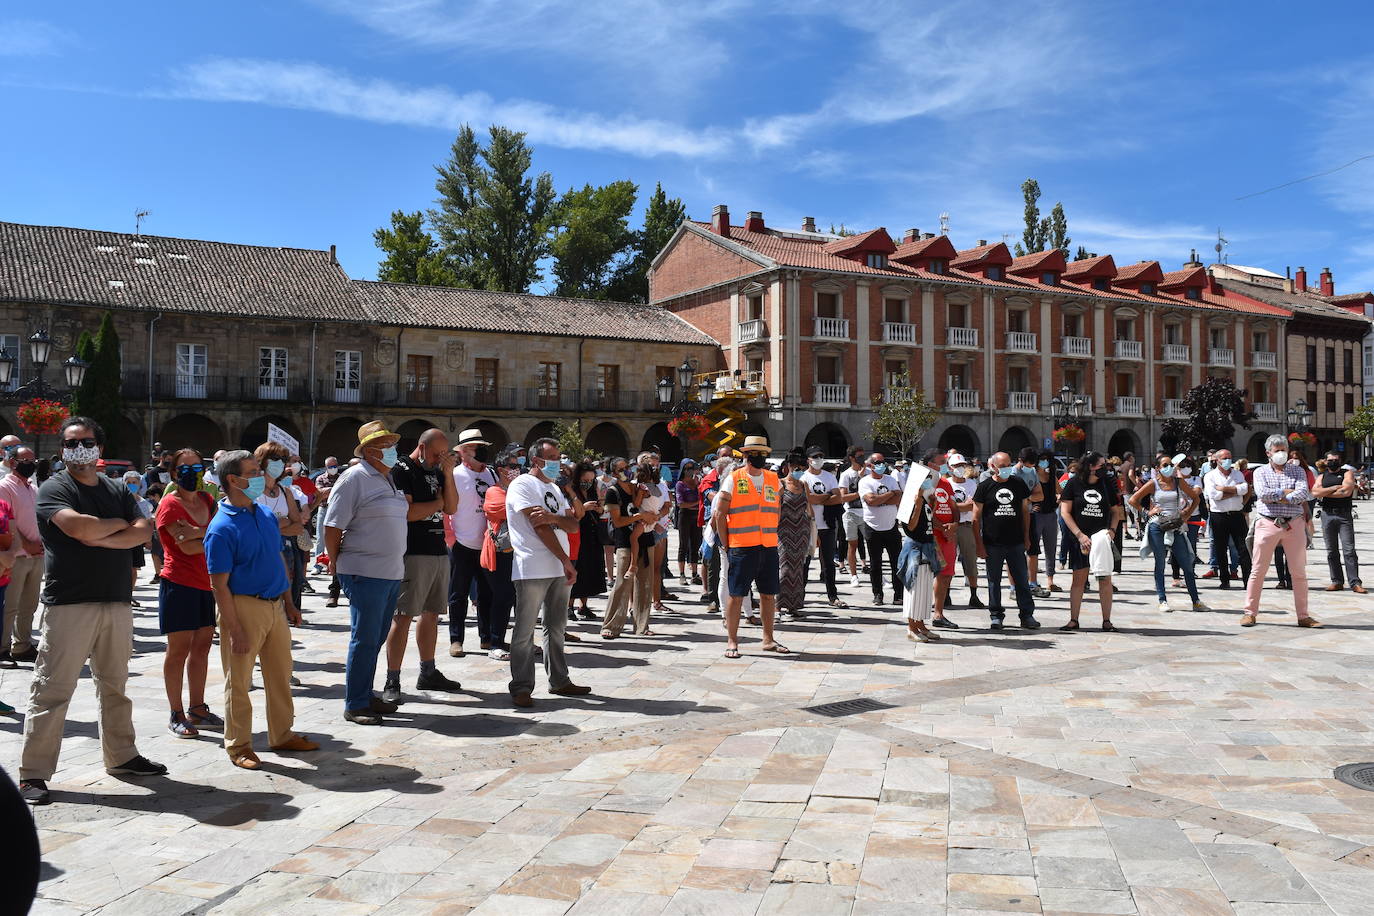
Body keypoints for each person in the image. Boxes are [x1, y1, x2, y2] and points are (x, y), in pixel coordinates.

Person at [18, 418, 166, 805]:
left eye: (86, 441)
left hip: (116, 600)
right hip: (69, 603)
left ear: (99, 447)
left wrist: (104, 534)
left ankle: (122, 756)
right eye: (71, 443)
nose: (78, 448)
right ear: (62, 449)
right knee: (52, 689)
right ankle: (33, 773)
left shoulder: (115, 488)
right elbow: (78, 529)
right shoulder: (54, 488)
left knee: (115, 684)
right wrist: (116, 527)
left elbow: (144, 530)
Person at [204, 449, 317, 769]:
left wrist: (289, 602)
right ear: (233, 480)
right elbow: (219, 585)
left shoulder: (265, 515)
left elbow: (276, 559)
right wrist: (234, 629)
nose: (261, 476)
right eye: (254, 471)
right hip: (242, 607)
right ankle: (238, 745)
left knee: (281, 674)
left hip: (273, 607)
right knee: (238, 680)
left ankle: (282, 734)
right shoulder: (221, 527)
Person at [323, 421, 411, 725]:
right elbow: (332, 526)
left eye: (392, 444)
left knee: (374, 639)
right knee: (364, 638)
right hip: (364, 571)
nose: (392, 451)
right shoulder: (353, 478)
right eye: (386, 446)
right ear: (370, 451)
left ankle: (364, 693)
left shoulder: (387, 478)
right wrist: (334, 562)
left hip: (389, 572)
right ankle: (356, 703)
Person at [505, 437, 590, 707]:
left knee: (556, 627)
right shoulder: (522, 484)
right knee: (524, 630)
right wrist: (565, 558)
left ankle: (559, 680)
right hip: (533, 565)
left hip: (558, 566)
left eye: (559, 457)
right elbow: (537, 525)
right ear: (536, 460)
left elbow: (573, 525)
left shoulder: (553, 487)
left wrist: (555, 518)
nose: (557, 463)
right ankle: (521, 686)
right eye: (552, 458)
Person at [382, 429, 462, 704]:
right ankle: (392, 678)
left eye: (444, 454)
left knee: (432, 614)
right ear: (421, 447)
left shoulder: (438, 470)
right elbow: (409, 512)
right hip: (412, 552)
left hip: (438, 550)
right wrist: (438, 501)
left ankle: (427, 671)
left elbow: (451, 508)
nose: (441, 458)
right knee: (403, 615)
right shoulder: (403, 469)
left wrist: (448, 475)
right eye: (437, 453)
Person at [155, 448, 223, 738]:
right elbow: (185, 545)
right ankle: (176, 712)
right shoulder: (170, 505)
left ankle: (198, 707)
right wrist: (206, 534)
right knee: (178, 650)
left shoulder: (208, 500)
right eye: (185, 467)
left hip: (204, 584)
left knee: (202, 648)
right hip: (179, 584)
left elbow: (218, 535)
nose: (192, 472)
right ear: (173, 472)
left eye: (198, 466)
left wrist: (198, 530)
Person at [715, 436, 788, 658]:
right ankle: (732, 641)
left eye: (763, 454)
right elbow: (719, 513)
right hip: (741, 546)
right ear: (746, 456)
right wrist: (726, 544)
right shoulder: (734, 478)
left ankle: (768, 639)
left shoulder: (773, 479)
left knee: (768, 595)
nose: (760, 458)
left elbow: (776, 508)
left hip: (767, 545)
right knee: (736, 595)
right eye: (755, 454)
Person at [1241, 435, 1319, 628]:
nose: (1281, 454)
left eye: (1284, 449)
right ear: (1268, 453)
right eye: (1277, 451)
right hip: (1268, 523)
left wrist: (1279, 495)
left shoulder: (1299, 471)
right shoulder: (1260, 472)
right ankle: (1249, 613)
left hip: (1294, 524)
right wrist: (1286, 494)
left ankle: (1303, 615)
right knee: (1258, 570)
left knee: (1299, 572)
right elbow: (1263, 494)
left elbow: (1303, 493)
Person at [1128, 453, 1206, 613]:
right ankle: (1162, 600)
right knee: (1160, 563)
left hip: (1175, 525)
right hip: (1158, 525)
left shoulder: (1179, 482)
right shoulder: (1153, 484)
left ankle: (1196, 601)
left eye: (1170, 464)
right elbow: (1133, 500)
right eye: (1164, 465)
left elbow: (1195, 499)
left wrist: (1186, 514)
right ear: (1157, 468)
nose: (1169, 467)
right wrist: (1146, 512)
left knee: (1187, 564)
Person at [448, 428, 501, 657]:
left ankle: (486, 637)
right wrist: (450, 538)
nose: (478, 451)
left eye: (480, 447)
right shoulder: (455, 475)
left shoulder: (491, 474)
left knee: (487, 592)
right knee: (458, 593)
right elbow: (446, 508)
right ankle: (456, 639)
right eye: (473, 448)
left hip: (487, 543)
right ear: (462, 452)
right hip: (462, 542)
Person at [973, 451, 1040, 631]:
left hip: (1016, 542)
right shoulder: (984, 487)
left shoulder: (1018, 484)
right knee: (993, 581)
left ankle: (1027, 615)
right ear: (993, 466)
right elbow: (975, 518)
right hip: (992, 543)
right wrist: (979, 544)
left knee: (1021, 580)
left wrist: (1027, 537)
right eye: (1003, 466)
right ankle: (996, 616)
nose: (1007, 469)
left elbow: (1025, 512)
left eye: (1009, 465)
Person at [1058, 451, 1121, 631]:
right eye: (1101, 465)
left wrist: (1112, 531)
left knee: (1104, 579)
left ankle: (1107, 620)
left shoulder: (1106, 483)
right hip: (1080, 539)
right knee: (1078, 579)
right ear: (1091, 466)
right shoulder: (1073, 483)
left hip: (1101, 538)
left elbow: (1116, 511)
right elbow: (1065, 512)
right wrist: (1079, 535)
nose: (1105, 468)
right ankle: (1074, 619)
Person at [600, 459, 655, 638]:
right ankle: (611, 625)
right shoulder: (612, 492)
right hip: (624, 541)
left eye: (628, 467)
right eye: (622, 469)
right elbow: (617, 521)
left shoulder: (635, 488)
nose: (627, 471)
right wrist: (639, 516)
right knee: (622, 583)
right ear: (614, 473)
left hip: (646, 538)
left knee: (645, 585)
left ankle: (642, 626)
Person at [0, 445, 42, 667]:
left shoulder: (32, 488)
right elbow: (8, 523)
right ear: (12, 462)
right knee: (10, 606)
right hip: (16, 556)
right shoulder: (4, 487)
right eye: (25, 460)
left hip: (36, 556)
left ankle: (22, 645)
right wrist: (28, 545)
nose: (30, 464)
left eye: (32, 460)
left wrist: (40, 544)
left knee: (29, 604)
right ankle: (2, 648)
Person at [801, 446, 846, 609]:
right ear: (808, 460)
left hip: (827, 524)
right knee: (805, 562)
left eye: (821, 456)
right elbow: (807, 498)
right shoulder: (804, 478)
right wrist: (827, 496)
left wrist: (819, 499)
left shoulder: (829, 477)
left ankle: (832, 596)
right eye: (815, 457)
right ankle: (800, 595)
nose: (818, 459)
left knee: (828, 562)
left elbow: (838, 497)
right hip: (809, 524)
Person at [1202, 449, 1253, 590]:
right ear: (1217, 460)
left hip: (1237, 514)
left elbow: (1244, 488)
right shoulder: (1210, 476)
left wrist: (1224, 488)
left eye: (1230, 458)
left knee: (1244, 548)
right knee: (1220, 548)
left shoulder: (1237, 473)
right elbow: (1214, 495)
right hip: (1219, 515)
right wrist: (1235, 491)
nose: (1227, 460)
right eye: (1224, 458)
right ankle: (1224, 579)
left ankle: (1248, 580)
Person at [1313, 452, 1363, 593]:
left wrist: (1325, 492)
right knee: (1331, 551)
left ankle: (1355, 582)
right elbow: (1315, 492)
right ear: (1325, 461)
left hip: (1344, 514)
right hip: (1327, 514)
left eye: (1335, 460)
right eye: (1330, 460)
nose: (1333, 462)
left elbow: (1346, 492)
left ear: (1340, 461)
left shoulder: (1347, 473)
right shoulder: (1322, 476)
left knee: (1349, 550)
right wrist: (1334, 488)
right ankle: (1336, 581)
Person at [859, 452, 903, 605]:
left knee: (896, 562)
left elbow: (899, 497)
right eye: (878, 462)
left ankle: (899, 594)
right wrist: (890, 494)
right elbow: (871, 501)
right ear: (870, 465)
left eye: (883, 462)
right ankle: (878, 594)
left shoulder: (891, 479)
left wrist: (882, 499)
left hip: (891, 526)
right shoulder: (865, 482)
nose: (881, 465)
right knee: (875, 564)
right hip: (872, 527)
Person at [777, 453, 815, 620]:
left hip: (802, 532)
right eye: (796, 468)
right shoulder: (780, 484)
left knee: (798, 570)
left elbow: (809, 508)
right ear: (788, 467)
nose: (799, 471)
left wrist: (814, 532)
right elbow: (776, 509)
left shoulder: (804, 484)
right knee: (784, 569)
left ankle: (794, 606)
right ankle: (778, 605)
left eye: (802, 468)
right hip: (784, 532)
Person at [570, 461, 608, 619]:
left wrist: (599, 509)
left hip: (592, 535)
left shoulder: (593, 491)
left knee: (590, 571)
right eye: (585, 480)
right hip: (578, 534)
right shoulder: (571, 492)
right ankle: (568, 606)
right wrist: (583, 508)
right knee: (577, 570)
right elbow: (568, 514)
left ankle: (583, 605)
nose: (588, 483)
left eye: (591, 480)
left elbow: (600, 511)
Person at [947, 453, 984, 610]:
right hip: (950, 525)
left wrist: (956, 505)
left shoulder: (972, 484)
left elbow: (972, 505)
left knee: (971, 562)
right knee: (948, 561)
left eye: (961, 465)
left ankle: (973, 595)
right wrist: (961, 505)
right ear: (950, 468)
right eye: (956, 466)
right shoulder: (946, 484)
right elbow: (948, 506)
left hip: (967, 526)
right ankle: (945, 594)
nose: (959, 468)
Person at [1027, 449, 1060, 598]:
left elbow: (1062, 491)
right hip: (1036, 516)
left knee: (1051, 548)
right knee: (1033, 550)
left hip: (1051, 515)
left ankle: (1050, 580)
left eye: (1047, 459)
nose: (1044, 461)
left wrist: (1058, 499)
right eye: (1042, 459)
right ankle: (1031, 581)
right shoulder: (1032, 476)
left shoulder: (1051, 476)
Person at [837, 444, 870, 588]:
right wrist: (860, 484)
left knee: (872, 544)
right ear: (851, 458)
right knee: (852, 544)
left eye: (863, 455)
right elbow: (843, 497)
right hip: (851, 513)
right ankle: (854, 575)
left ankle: (877, 574)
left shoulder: (869, 472)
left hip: (868, 513)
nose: (862, 458)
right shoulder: (846, 475)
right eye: (859, 456)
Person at [674, 459, 703, 585]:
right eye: (687, 468)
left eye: (692, 467)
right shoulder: (680, 484)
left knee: (695, 546)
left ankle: (694, 573)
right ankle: (681, 574)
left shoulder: (697, 483)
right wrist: (696, 504)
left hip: (696, 516)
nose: (689, 470)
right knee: (683, 545)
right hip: (685, 517)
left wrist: (698, 484)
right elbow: (681, 504)